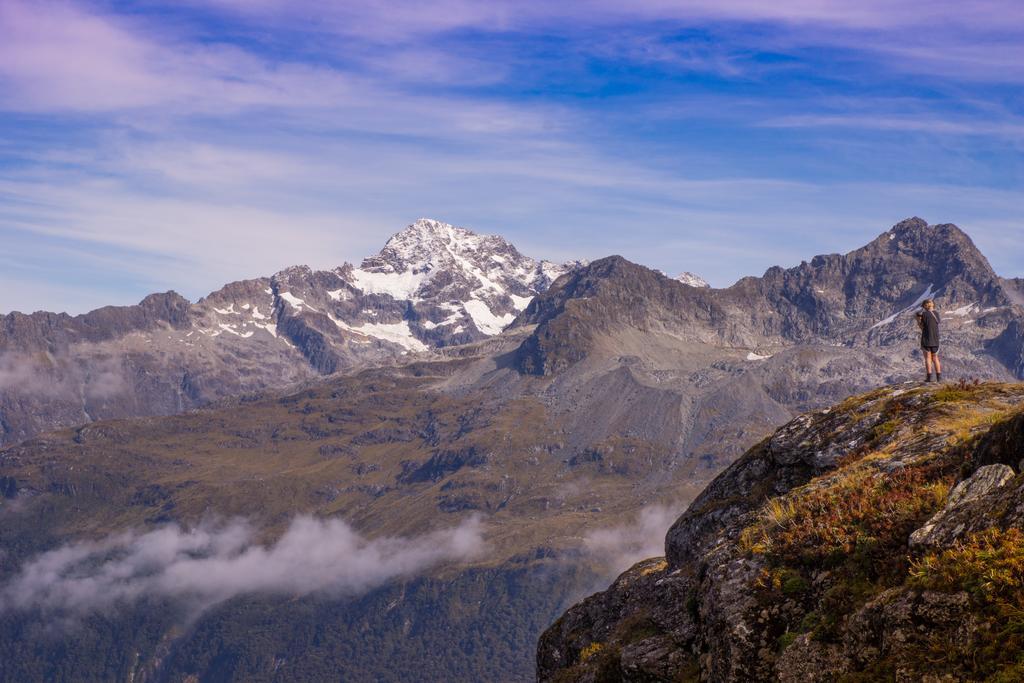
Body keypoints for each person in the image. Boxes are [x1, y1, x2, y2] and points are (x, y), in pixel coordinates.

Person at [915, 299, 941, 382]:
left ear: (925, 306)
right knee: (935, 358)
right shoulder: (936, 314)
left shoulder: (924, 315)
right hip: (935, 339)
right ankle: (939, 378)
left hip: (926, 339)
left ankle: (929, 377)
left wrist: (918, 320)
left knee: (928, 358)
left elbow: (922, 327)